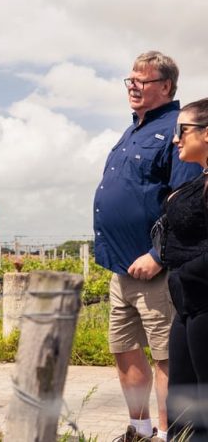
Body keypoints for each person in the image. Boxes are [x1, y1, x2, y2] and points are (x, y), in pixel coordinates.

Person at [93, 52, 201, 442]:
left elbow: (184, 200)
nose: (133, 86)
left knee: (166, 356)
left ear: (167, 86)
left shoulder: (177, 128)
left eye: (143, 80)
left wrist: (158, 256)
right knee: (123, 349)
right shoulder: (131, 131)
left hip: (155, 270)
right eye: (130, 80)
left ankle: (172, 433)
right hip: (120, 268)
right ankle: (140, 430)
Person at [162, 98, 208, 440]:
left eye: (183, 130)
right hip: (186, 306)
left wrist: (187, 273)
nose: (176, 139)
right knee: (181, 407)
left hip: (204, 303)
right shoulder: (197, 182)